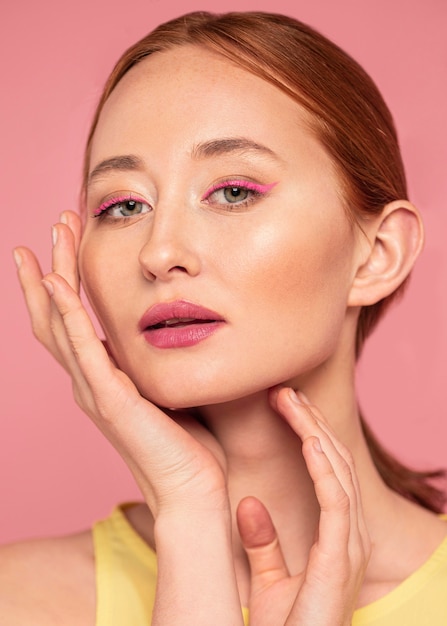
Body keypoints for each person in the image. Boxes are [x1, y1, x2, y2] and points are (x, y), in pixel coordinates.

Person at [2, 10, 446, 625]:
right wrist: (188, 514)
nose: (158, 254)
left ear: (376, 255)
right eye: (124, 205)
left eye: (233, 191)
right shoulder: (21, 602)